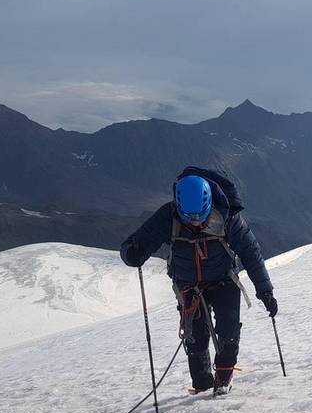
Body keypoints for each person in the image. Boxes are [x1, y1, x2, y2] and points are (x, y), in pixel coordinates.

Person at [119, 167, 278, 396]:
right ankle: (202, 386)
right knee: (195, 338)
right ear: (179, 205)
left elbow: (251, 253)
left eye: (200, 216)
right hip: (188, 285)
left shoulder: (227, 216)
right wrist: (133, 253)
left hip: (223, 279)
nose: (195, 223)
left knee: (229, 330)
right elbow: (138, 242)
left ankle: (223, 380)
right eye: (189, 218)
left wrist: (265, 291)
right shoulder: (168, 216)